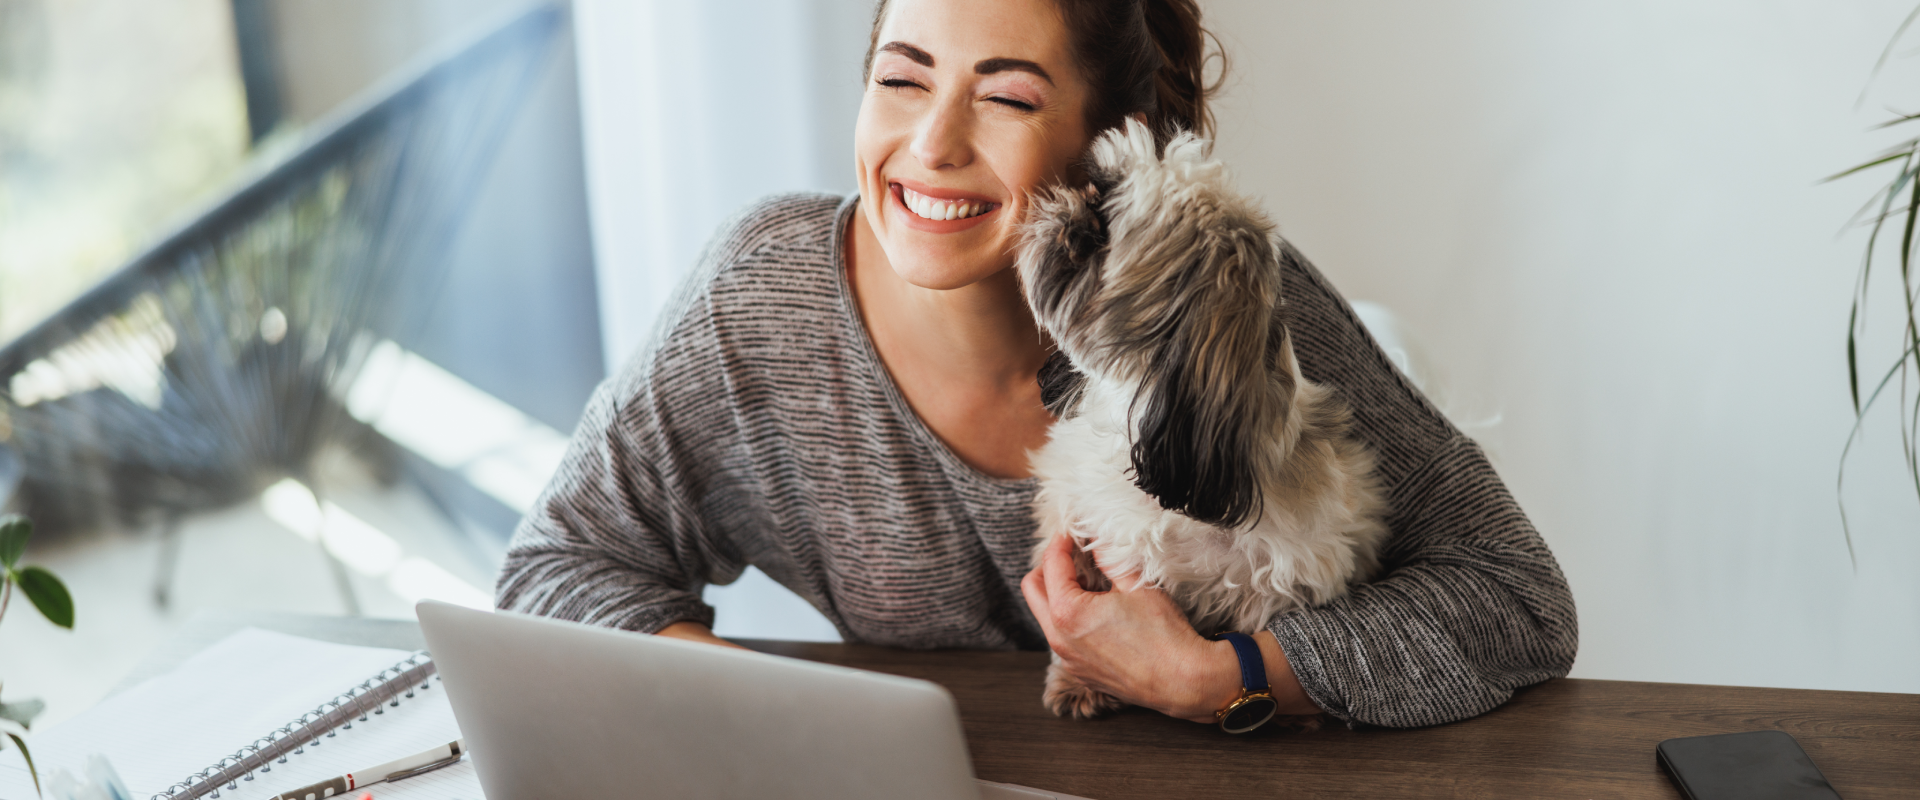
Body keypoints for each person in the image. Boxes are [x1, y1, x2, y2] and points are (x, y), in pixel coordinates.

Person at [496, 0, 1577, 729]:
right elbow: (555, 570)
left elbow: (1519, 598)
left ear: (1113, 131)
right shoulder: (760, 301)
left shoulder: (1222, 302)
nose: (930, 144)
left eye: (1007, 96)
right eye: (901, 79)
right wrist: (788, 722)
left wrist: (1223, 677)